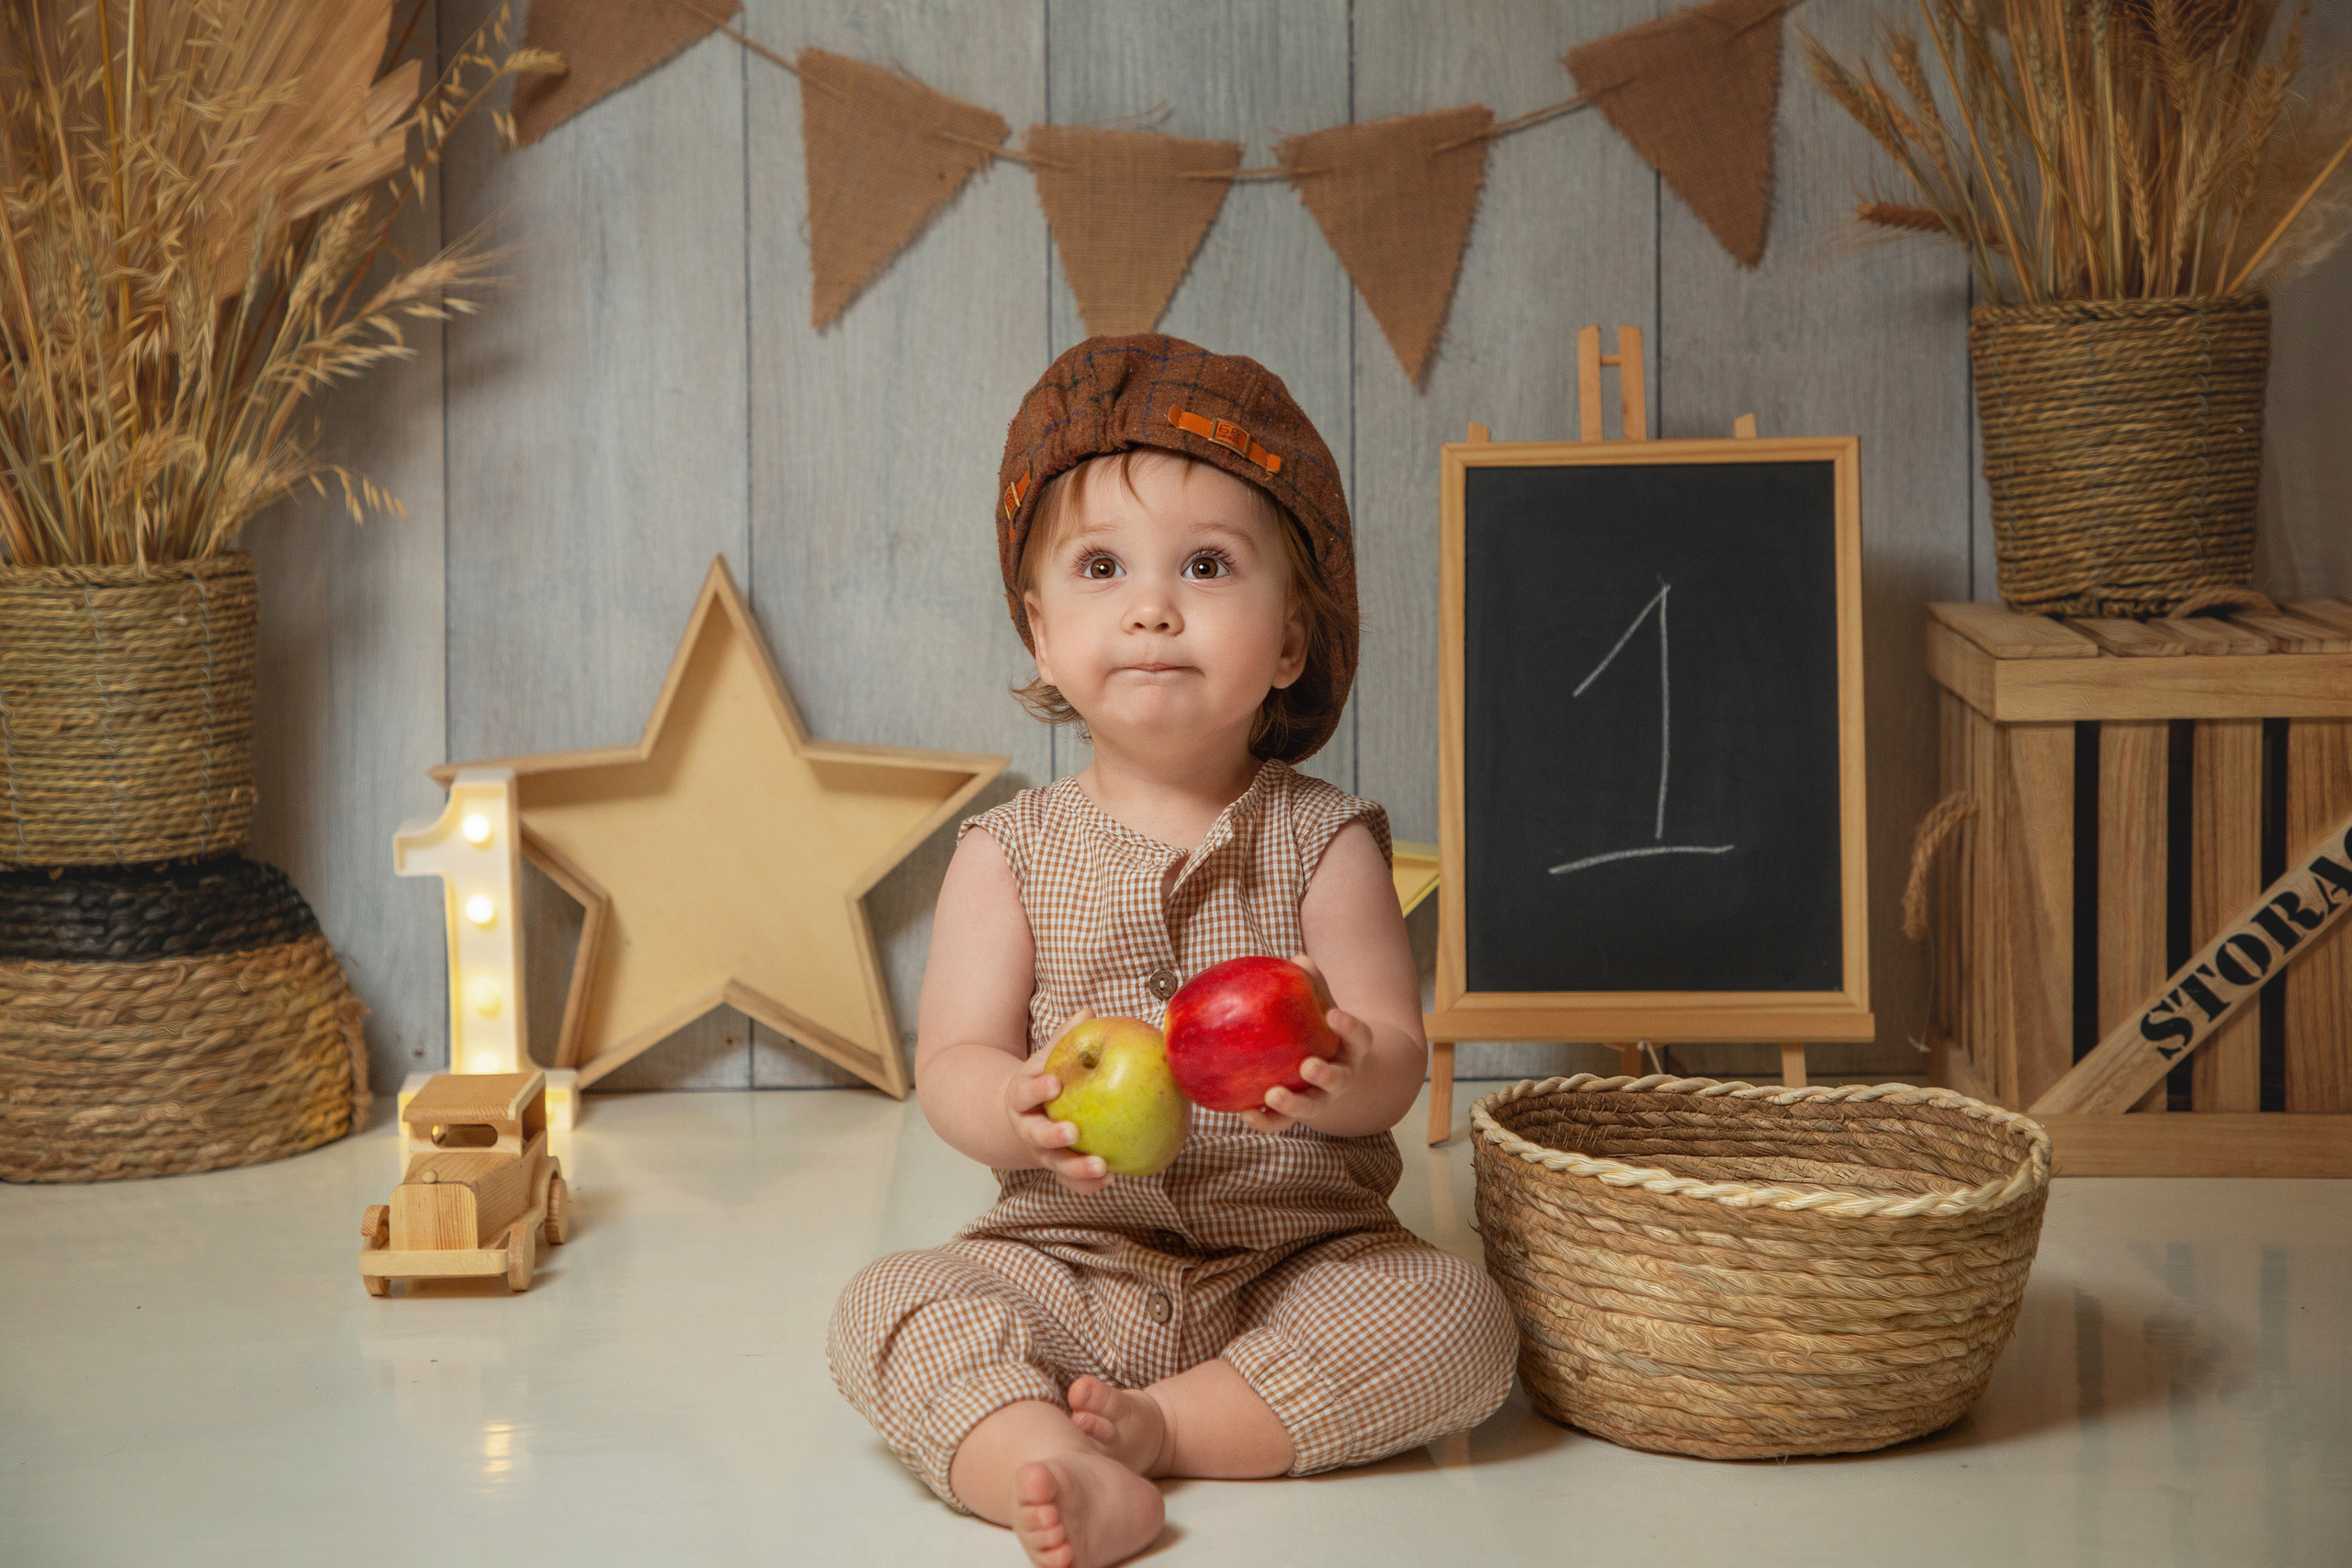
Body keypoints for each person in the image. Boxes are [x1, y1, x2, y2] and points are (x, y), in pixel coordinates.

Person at [829, 335, 1516, 1568]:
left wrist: (1345, 1062)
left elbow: (1396, 1058)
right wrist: (1014, 1103)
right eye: (1102, 569)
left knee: (1461, 1318)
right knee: (886, 1304)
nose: (1152, 606)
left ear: (1292, 643)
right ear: (1042, 636)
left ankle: (1165, 1430)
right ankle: (1040, 1454)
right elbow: (954, 1060)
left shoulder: (1327, 840)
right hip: (1068, 1265)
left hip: (1295, 1264)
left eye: (1207, 566)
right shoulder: (1009, 851)